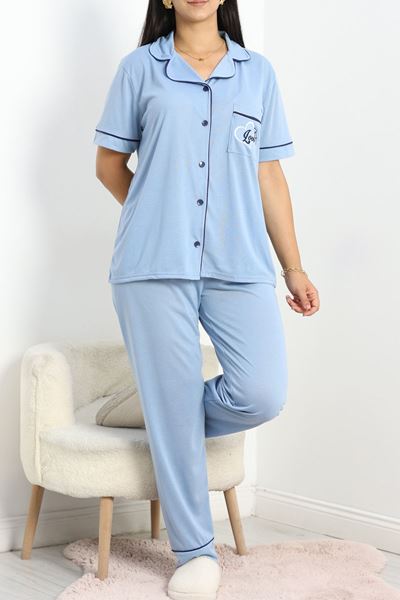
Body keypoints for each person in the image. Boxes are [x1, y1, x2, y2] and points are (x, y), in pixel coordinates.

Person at [94, 0, 320, 598]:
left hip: (238, 262)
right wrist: (155, 215)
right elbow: (109, 164)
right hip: (151, 264)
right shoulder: (139, 69)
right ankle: (195, 552)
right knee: (173, 408)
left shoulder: (257, 73)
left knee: (261, 391)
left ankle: (156, 408)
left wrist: (294, 268)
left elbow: (269, 176)